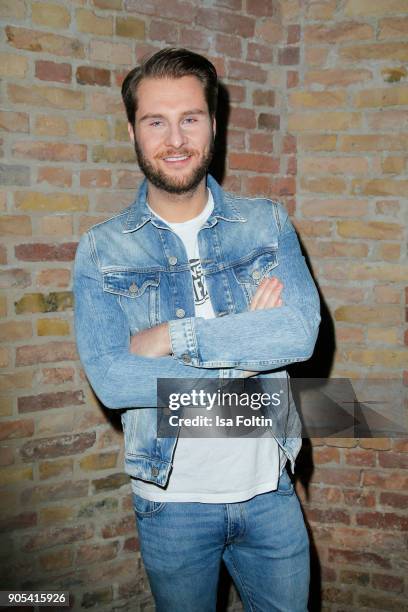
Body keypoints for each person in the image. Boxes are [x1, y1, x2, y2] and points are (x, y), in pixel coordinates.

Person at [73, 47, 320, 612]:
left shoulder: (267, 223)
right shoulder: (102, 250)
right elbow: (113, 380)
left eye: (190, 118)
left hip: (271, 492)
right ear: (133, 130)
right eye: (156, 121)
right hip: (171, 503)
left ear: (214, 123)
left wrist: (169, 338)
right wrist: (251, 342)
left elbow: (300, 335)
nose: (175, 139)